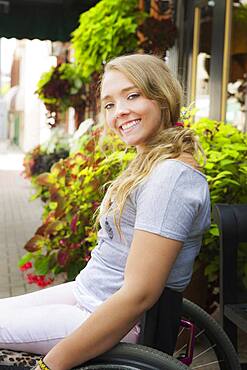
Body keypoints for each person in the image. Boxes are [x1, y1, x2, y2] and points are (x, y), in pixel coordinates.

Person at [0, 54, 211, 370]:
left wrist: (50, 365)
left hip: (105, 317)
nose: (120, 111)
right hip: (88, 295)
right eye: (109, 104)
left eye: (132, 95)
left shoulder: (171, 178)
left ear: (162, 96)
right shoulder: (151, 163)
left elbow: (139, 295)